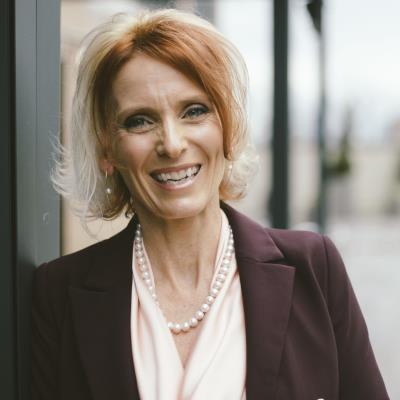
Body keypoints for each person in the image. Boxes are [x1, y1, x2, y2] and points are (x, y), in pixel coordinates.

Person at [31, 8, 389, 400]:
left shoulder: (314, 268)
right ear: (107, 149)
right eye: (140, 121)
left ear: (228, 127)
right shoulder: (58, 293)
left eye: (194, 111)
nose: (172, 144)